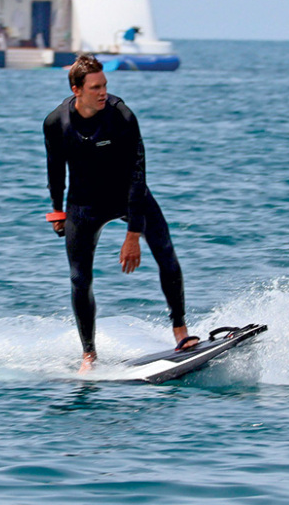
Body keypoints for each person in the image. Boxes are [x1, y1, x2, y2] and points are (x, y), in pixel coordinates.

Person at [42, 54, 197, 373]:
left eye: (105, 85)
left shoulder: (121, 116)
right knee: (79, 278)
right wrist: (57, 210)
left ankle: (180, 332)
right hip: (83, 204)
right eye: (95, 87)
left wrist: (133, 235)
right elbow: (55, 169)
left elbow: (138, 174)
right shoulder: (56, 122)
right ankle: (89, 354)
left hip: (128, 195)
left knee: (165, 253)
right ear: (77, 90)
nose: (103, 93)